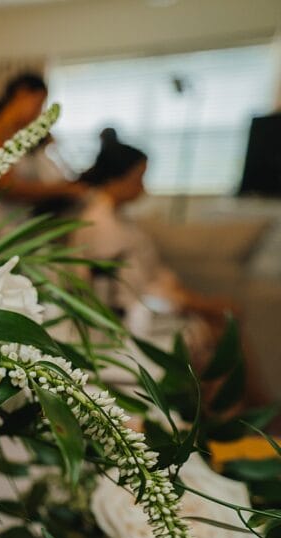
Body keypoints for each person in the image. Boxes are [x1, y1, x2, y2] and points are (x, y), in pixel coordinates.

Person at [71, 129, 238, 368]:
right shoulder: (102, 225)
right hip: (135, 317)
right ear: (119, 178)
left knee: (227, 330)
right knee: (225, 333)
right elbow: (124, 292)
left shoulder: (120, 217)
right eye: (139, 178)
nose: (143, 187)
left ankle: (238, 403)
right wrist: (196, 303)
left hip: (153, 303)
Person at [0, 72, 85, 216]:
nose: (39, 112)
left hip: (22, 223)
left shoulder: (24, 137)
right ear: (21, 94)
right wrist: (62, 190)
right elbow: (7, 188)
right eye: (38, 104)